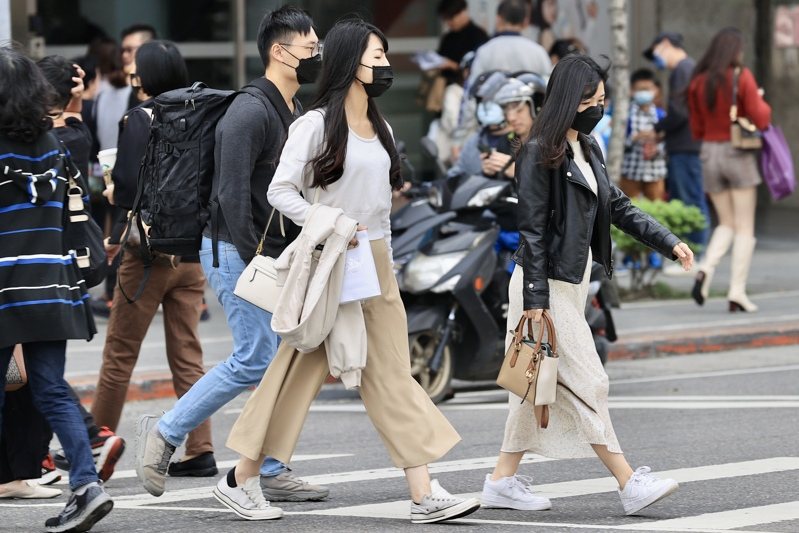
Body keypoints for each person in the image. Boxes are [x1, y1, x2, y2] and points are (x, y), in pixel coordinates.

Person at [217, 18, 481, 524]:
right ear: (349, 63)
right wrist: (329, 220)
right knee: (297, 371)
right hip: (330, 260)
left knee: (390, 372)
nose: (384, 65)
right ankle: (242, 477)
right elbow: (279, 192)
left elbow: (378, 199)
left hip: (374, 261)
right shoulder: (314, 124)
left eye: (384, 56)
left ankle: (423, 491)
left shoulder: (378, 126)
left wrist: (387, 244)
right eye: (376, 56)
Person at [480, 55, 694, 516]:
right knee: (589, 381)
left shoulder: (587, 147)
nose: (598, 106)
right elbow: (532, 229)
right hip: (545, 287)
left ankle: (501, 482)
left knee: (531, 388)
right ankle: (628, 482)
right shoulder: (539, 150)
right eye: (589, 100)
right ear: (565, 100)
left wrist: (668, 241)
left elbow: (617, 206)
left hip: (570, 285)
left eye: (601, 99)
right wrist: (535, 300)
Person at [135, 6, 329, 502]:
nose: (316, 57)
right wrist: (257, 257)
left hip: (272, 252)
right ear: (279, 52)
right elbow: (230, 194)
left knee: (282, 360)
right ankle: (166, 432)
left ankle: (270, 466)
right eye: (309, 50)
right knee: (254, 357)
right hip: (234, 248)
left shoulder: (295, 109)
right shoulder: (249, 111)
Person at [90, 40, 217, 480]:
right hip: (192, 252)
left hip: (146, 255)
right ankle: (200, 448)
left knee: (120, 353)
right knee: (188, 355)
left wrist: (109, 194)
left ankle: (95, 441)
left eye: (136, 67)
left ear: (144, 77)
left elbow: (125, 188)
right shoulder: (202, 113)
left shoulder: (139, 118)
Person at [0, 45, 113, 533]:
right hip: (53, 287)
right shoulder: (53, 145)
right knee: (51, 389)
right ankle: (87, 486)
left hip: (4, 286)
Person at [687, 28, 771, 313]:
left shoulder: (698, 81)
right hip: (737, 152)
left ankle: (705, 269)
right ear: (735, 51)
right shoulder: (740, 76)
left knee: (726, 222)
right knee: (744, 225)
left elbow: (696, 127)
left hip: (709, 152)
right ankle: (737, 292)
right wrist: (759, 97)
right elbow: (761, 117)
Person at [643, 31, 710, 261]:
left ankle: (697, 256)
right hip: (687, 144)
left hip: (687, 147)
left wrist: (658, 127)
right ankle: (695, 255)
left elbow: (680, 112)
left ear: (665, 44)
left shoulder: (682, 70)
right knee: (689, 200)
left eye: (656, 54)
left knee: (691, 202)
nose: (657, 61)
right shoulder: (688, 68)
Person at [466, 0, 552, 89]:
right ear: (526, 21)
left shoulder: (485, 51)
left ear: (498, 19)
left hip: (494, 102)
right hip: (530, 102)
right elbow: (550, 86)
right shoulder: (538, 52)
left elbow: (473, 87)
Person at [620, 68, 667, 201]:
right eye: (641, 89)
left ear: (655, 90)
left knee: (657, 208)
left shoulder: (661, 115)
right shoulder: (625, 114)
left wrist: (657, 147)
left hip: (655, 171)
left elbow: (666, 142)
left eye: (648, 89)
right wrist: (635, 138)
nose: (645, 93)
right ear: (632, 91)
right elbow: (617, 143)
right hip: (630, 171)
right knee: (628, 207)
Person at [436, 0, 489, 85]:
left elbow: (480, 68)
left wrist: (453, 66)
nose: (449, 23)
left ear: (463, 12)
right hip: (445, 86)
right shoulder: (448, 38)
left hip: (467, 86)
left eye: (451, 18)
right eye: (446, 19)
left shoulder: (479, 36)